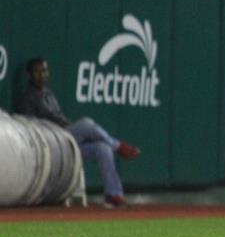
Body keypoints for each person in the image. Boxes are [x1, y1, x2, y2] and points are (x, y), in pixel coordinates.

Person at [14, 58, 141, 208]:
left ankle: (113, 195)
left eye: (44, 71)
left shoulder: (49, 94)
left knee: (102, 148)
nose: (41, 75)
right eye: (37, 71)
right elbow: (32, 130)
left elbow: (59, 117)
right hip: (51, 145)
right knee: (87, 123)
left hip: (67, 142)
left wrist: (69, 126)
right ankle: (119, 146)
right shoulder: (26, 98)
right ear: (29, 75)